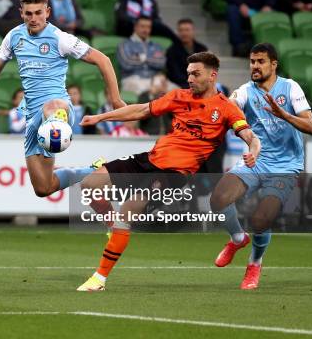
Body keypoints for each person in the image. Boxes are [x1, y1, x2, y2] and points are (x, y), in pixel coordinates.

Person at [76, 51, 261, 291]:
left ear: (212, 75)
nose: (190, 79)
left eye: (196, 74)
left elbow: (250, 137)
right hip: (149, 159)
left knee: (129, 209)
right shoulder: (178, 96)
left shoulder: (227, 109)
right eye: (188, 74)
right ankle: (113, 228)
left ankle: (99, 279)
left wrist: (253, 152)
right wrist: (100, 117)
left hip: (173, 174)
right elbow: (141, 110)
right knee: (89, 185)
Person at [0, 0, 125, 198]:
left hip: (59, 106)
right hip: (33, 117)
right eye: (28, 13)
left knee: (52, 106)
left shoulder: (60, 38)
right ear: (21, 13)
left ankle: (56, 125)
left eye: (38, 13)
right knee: (44, 187)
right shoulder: (14, 37)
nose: (33, 18)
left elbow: (103, 60)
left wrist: (116, 100)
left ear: (47, 12)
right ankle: (95, 170)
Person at [210, 43, 312, 290]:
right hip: (256, 160)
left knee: (260, 220)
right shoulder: (246, 90)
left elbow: (311, 127)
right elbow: (233, 104)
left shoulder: (290, 88)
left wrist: (284, 115)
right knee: (218, 199)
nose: (255, 66)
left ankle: (255, 263)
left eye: (260, 61)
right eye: (252, 62)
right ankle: (237, 238)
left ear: (273, 64)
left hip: (286, 166)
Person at [116, 16, 166, 95]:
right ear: (135, 27)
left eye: (148, 27)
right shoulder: (124, 44)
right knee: (148, 91)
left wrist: (143, 58)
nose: (146, 30)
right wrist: (151, 59)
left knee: (176, 90)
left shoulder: (156, 46)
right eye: (142, 26)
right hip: (132, 79)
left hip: (154, 79)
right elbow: (127, 63)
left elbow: (161, 63)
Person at [165, 19, 208, 89]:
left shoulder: (202, 49)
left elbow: (206, 70)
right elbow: (175, 74)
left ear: (193, 31)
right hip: (179, 84)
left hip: (199, 82)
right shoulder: (171, 51)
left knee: (222, 89)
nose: (184, 33)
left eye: (187, 30)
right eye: (181, 30)